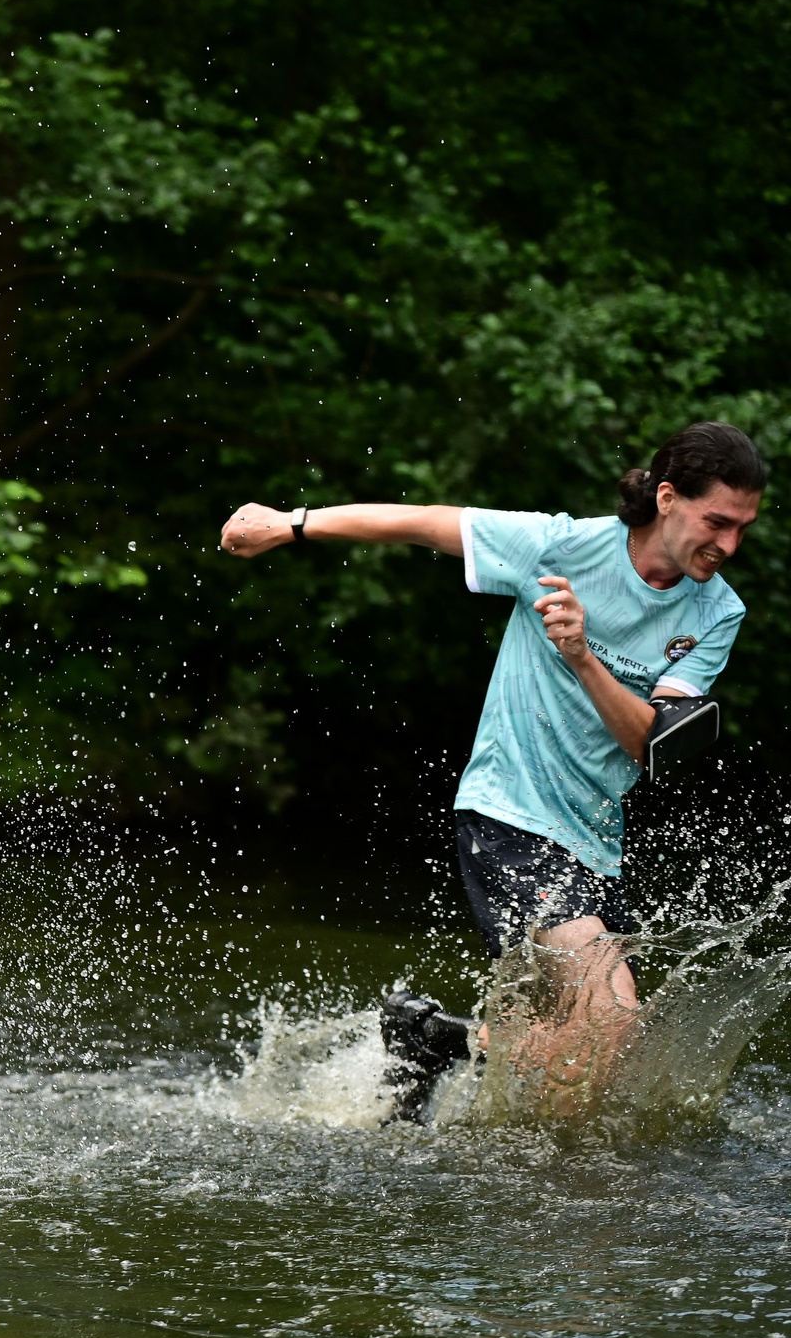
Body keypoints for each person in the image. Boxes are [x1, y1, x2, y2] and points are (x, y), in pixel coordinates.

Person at [220, 421, 765, 1116]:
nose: (729, 545)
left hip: (593, 840)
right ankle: (575, 1204)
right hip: (509, 813)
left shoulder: (717, 612)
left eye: (743, 528)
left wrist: (582, 656)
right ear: (666, 498)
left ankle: (436, 1041)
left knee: (585, 1048)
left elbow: (651, 744)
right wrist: (292, 524)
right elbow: (422, 523)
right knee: (615, 1016)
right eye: (717, 521)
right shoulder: (560, 546)